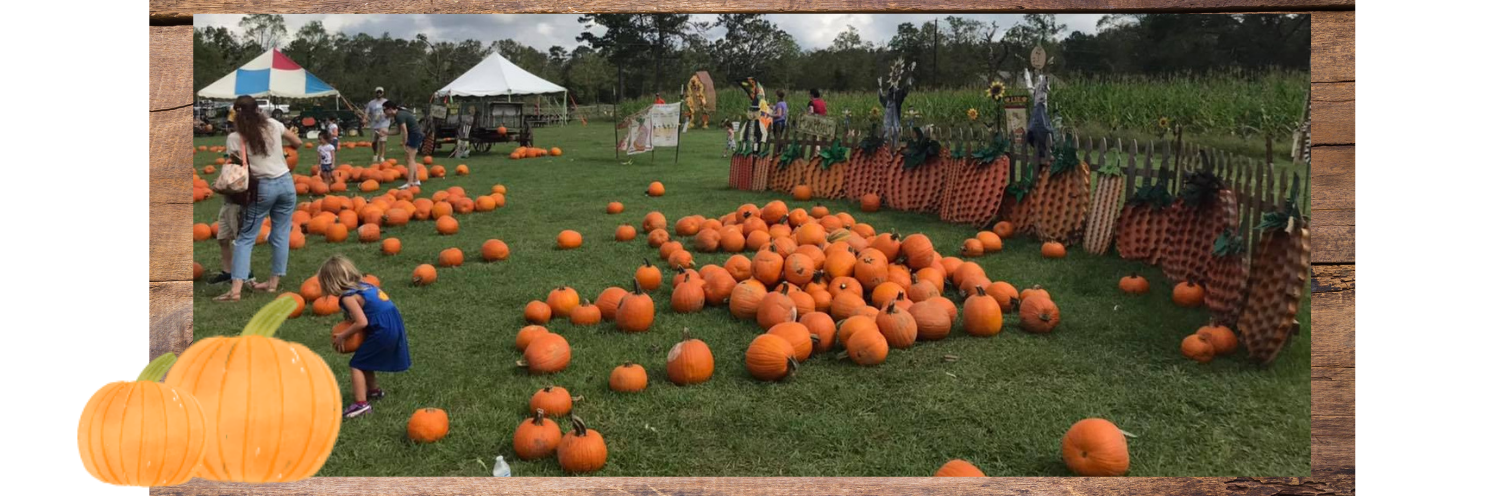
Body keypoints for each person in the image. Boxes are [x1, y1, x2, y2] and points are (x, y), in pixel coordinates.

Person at [215, 95, 302, 302]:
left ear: (235, 114)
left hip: (262, 188)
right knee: (280, 235)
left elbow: (235, 166)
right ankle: (272, 284)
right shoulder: (273, 124)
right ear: (257, 109)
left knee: (245, 239)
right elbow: (297, 142)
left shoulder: (235, 138)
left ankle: (235, 291)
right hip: (286, 184)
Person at [319, 255, 411, 419]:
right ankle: (374, 391)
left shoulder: (348, 297)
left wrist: (342, 336)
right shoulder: (365, 286)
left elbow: (361, 322)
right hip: (393, 325)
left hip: (382, 330)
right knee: (366, 360)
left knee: (357, 364)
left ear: (330, 283)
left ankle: (361, 405)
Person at [207, 111, 252, 284]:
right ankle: (228, 271)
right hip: (231, 197)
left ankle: (246, 273)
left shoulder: (235, 138)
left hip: (237, 196)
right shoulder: (247, 137)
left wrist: (224, 184)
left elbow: (235, 164)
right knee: (223, 238)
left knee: (239, 238)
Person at [384, 101, 423, 189]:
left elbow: (404, 131)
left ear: (390, 109)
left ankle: (410, 183)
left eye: (384, 110)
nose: (384, 113)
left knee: (410, 159)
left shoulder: (399, 116)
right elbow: (398, 131)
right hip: (415, 135)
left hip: (414, 135)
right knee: (410, 159)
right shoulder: (398, 115)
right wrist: (386, 133)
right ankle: (416, 180)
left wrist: (404, 143)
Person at [364, 87, 389, 165]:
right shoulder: (371, 103)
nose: (379, 94)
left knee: (383, 140)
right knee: (374, 142)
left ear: (383, 93)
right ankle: (375, 154)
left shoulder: (386, 101)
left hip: (384, 123)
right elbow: (367, 112)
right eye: (378, 92)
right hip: (374, 124)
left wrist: (386, 114)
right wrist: (365, 118)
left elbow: (391, 110)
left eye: (380, 92)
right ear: (375, 93)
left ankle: (382, 156)